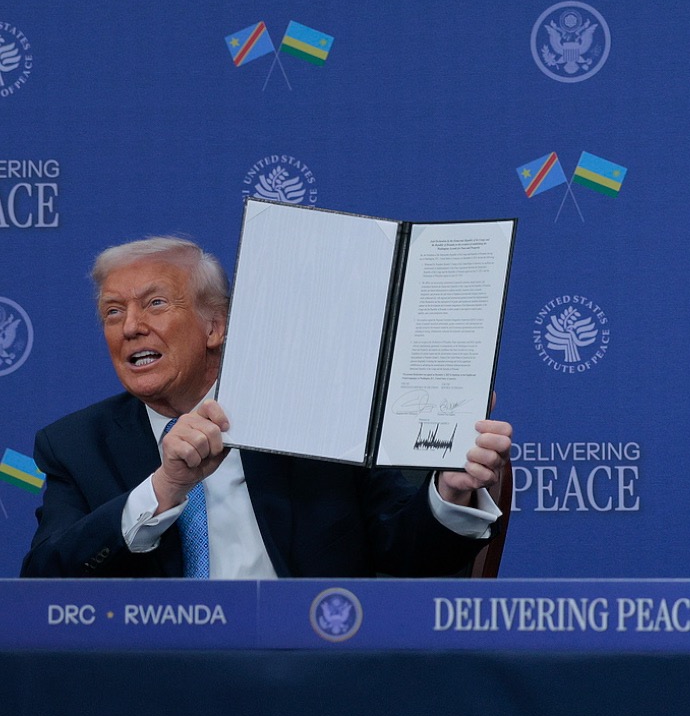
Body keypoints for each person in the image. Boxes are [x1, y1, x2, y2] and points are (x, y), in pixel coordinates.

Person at [21, 236, 511, 578]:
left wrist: (450, 490)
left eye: (154, 305)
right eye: (113, 311)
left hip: (306, 676)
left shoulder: (315, 417)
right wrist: (165, 487)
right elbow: (46, 579)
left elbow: (410, 555)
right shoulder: (76, 445)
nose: (129, 327)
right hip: (155, 690)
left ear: (216, 326)